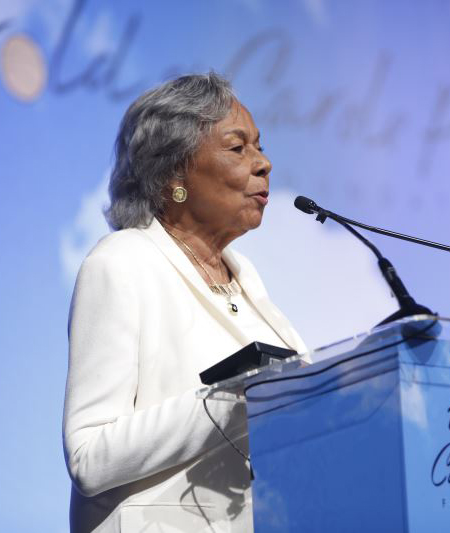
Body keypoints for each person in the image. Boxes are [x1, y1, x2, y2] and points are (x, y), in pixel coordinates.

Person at [63, 72, 306, 533]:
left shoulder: (245, 277)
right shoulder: (121, 263)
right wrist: (231, 401)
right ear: (175, 173)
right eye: (238, 148)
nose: (264, 163)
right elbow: (88, 457)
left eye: (259, 146)